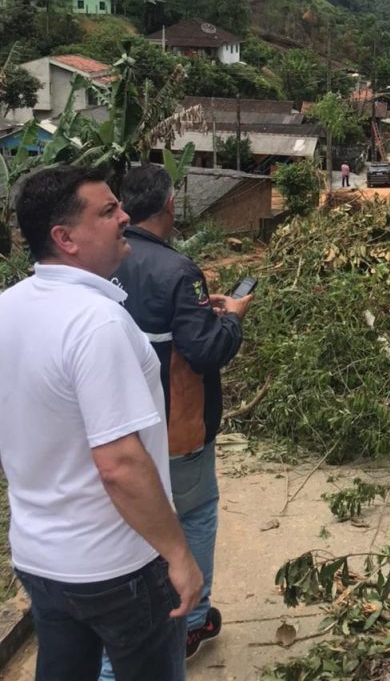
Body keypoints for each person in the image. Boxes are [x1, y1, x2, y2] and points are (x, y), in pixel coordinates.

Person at [0, 166, 202, 681]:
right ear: (64, 238)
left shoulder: (10, 307)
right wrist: (177, 553)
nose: (124, 217)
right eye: (107, 211)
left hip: (40, 558)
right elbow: (119, 464)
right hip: (118, 567)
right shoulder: (97, 323)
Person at [100, 164, 253, 673]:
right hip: (173, 431)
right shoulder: (176, 269)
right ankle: (191, 621)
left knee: (129, 531)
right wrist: (232, 316)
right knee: (197, 513)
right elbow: (205, 352)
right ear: (169, 205)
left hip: (111, 430)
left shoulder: (101, 263)